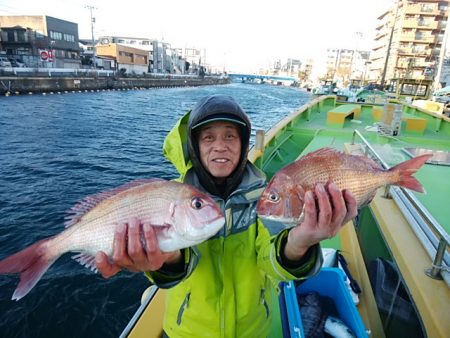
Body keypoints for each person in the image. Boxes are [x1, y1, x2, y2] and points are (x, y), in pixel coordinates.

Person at [95, 94, 357, 337]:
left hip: (254, 329)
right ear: (195, 147)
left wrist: (300, 242)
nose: (220, 146)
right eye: (208, 138)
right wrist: (168, 260)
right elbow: (178, 266)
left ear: (243, 144)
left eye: (230, 136)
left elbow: (271, 262)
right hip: (187, 332)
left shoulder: (264, 199)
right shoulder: (169, 198)